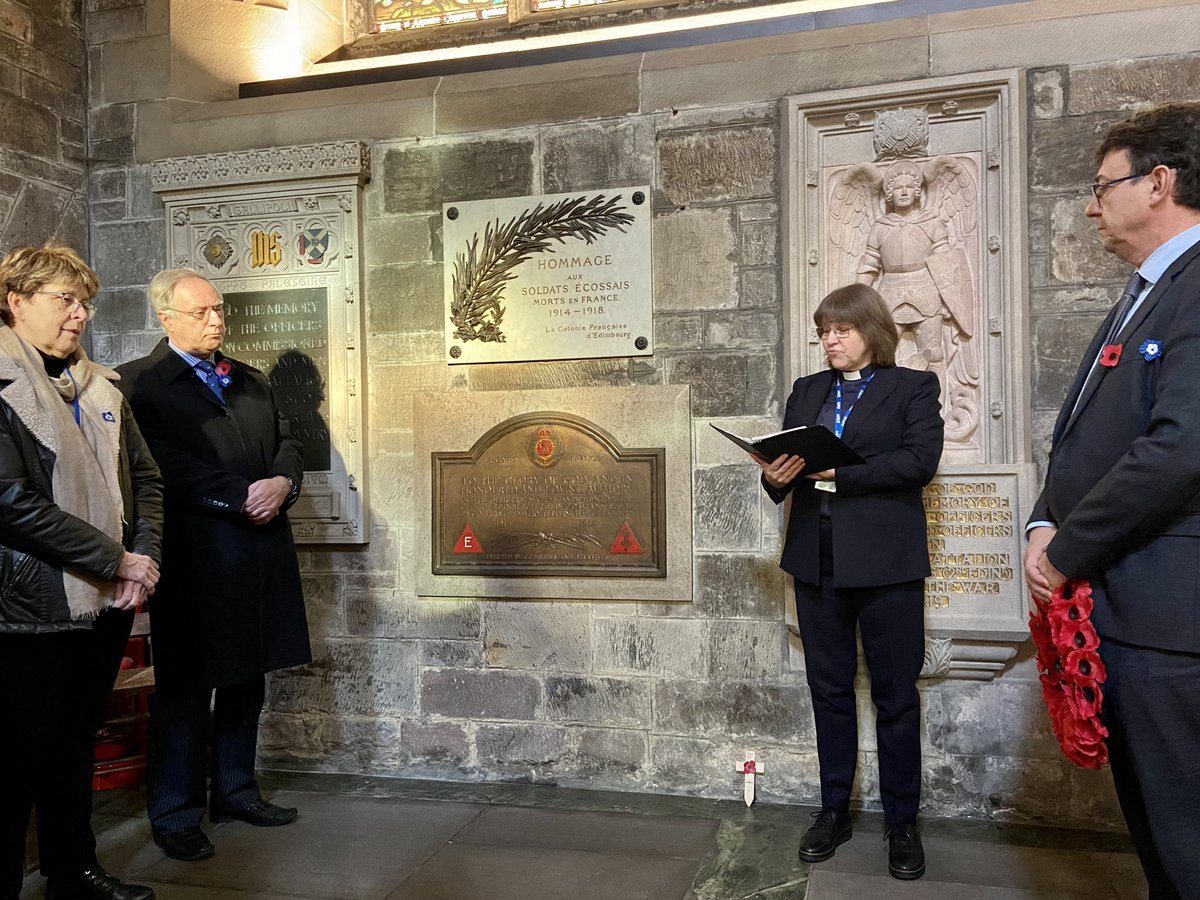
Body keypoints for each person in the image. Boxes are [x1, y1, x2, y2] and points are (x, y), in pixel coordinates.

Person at [1023, 101, 1200, 900]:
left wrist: (1062, 551)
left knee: (1187, 835)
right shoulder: (1147, 290)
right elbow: (1087, 437)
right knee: (1160, 834)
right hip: (1130, 608)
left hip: (1172, 620)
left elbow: (1178, 449)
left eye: (1104, 186)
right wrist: (1044, 516)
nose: (1092, 206)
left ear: (1159, 182)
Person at [117, 269, 311, 862]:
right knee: (184, 689)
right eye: (200, 312)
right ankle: (176, 813)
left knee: (247, 676)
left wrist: (282, 481)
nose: (216, 320)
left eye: (219, 309)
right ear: (166, 318)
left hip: (259, 552)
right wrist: (238, 495)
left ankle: (236, 790)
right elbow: (157, 465)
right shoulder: (138, 384)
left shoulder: (249, 379)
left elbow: (288, 440)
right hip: (196, 558)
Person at [754, 284, 943, 880]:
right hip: (818, 559)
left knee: (894, 695)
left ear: (872, 332)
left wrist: (844, 472)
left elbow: (920, 462)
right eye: (823, 331)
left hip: (887, 564)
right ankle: (833, 809)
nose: (829, 340)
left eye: (841, 330)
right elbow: (782, 480)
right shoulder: (808, 391)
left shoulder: (912, 387)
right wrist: (777, 476)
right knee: (829, 691)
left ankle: (902, 821)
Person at [0, 244, 162, 900]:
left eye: (85, 301)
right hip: (27, 607)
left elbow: (147, 479)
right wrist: (113, 557)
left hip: (103, 599)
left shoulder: (98, 385)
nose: (80, 313)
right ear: (15, 301)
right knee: (14, 761)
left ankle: (74, 873)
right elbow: (9, 501)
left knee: (73, 748)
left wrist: (141, 562)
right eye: (64, 299)